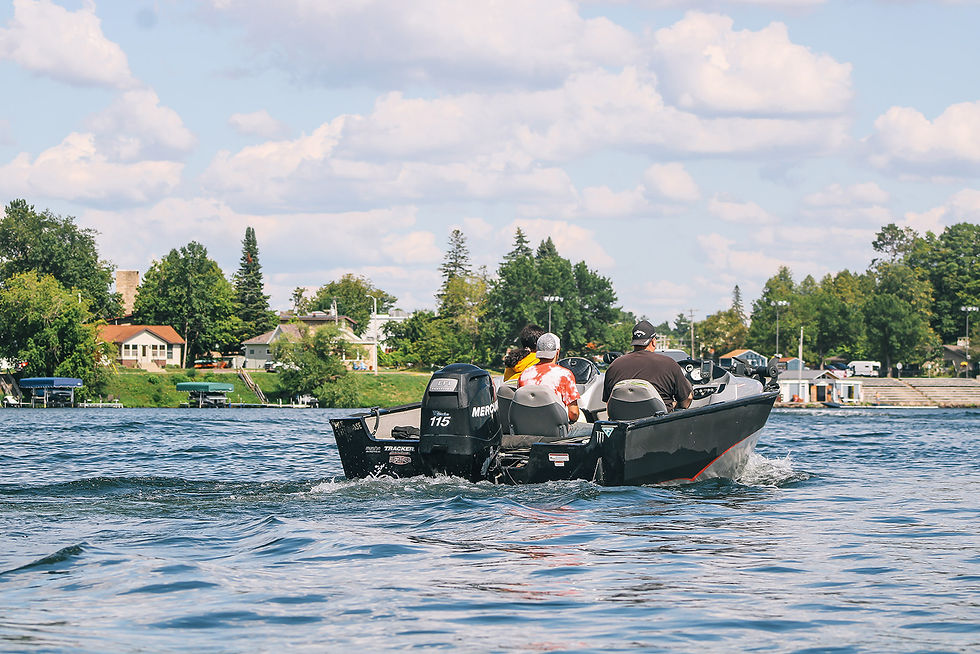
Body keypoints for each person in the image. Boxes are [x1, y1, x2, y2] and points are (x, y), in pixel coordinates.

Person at [601, 320, 693, 412]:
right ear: (653, 341)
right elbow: (687, 399)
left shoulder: (614, 365)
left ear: (634, 341)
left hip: (623, 423)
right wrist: (676, 406)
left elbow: (609, 403)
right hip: (659, 424)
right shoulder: (669, 364)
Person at [518, 332, 581, 422]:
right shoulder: (564, 374)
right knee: (591, 430)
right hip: (555, 430)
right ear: (557, 352)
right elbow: (573, 414)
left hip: (527, 426)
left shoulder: (524, 374)